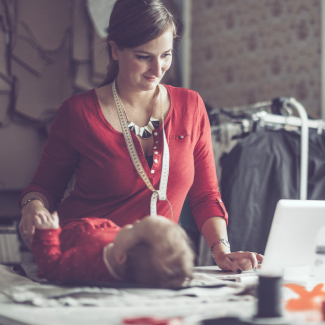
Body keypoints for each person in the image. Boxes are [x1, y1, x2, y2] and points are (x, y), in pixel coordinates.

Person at [19, 0, 263, 274]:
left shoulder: (191, 106)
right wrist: (32, 208)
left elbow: (205, 195)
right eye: (144, 57)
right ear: (115, 50)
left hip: (152, 267)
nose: (157, 69)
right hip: (87, 259)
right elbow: (43, 189)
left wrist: (222, 251)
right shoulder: (79, 113)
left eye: (166, 55)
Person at [32, 212, 194, 287]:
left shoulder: (86, 266)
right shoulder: (123, 246)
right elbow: (114, 233)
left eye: (133, 227)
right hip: (87, 225)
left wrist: (47, 234)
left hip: (63, 232)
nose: (130, 224)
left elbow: (51, 267)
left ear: (121, 257)